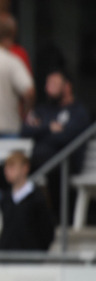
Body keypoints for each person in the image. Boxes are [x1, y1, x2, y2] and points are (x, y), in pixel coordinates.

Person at [21, 70, 91, 216]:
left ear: (67, 87)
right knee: (7, 170)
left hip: (66, 163)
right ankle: (19, 218)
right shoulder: (43, 109)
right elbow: (24, 130)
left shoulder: (78, 112)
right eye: (47, 84)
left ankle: (58, 218)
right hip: (40, 161)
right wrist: (49, 127)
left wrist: (40, 129)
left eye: (53, 84)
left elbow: (66, 138)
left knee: (52, 169)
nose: (48, 88)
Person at [0, 150, 55, 252]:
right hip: (6, 256)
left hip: (29, 258)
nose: (6, 170)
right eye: (6, 167)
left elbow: (47, 230)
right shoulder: (7, 197)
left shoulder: (37, 198)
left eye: (12, 167)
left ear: (25, 168)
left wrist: (38, 253)